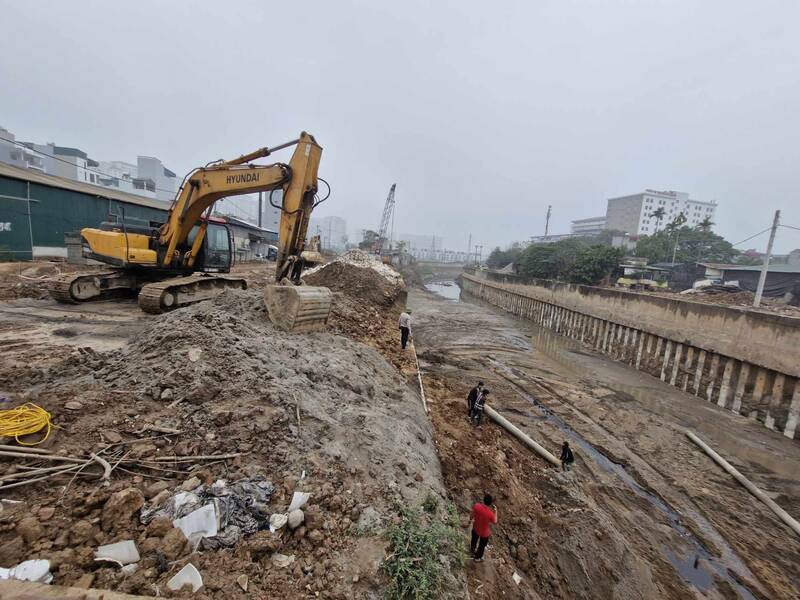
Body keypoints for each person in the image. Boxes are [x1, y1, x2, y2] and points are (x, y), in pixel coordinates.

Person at [469, 493, 498, 562]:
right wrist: (496, 511)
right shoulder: (490, 514)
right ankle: (477, 558)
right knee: (481, 546)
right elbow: (495, 521)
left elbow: (472, 515)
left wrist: (470, 520)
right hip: (484, 533)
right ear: (490, 503)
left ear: (483, 500)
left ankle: (472, 549)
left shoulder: (477, 506)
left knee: (474, 539)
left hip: (476, 528)